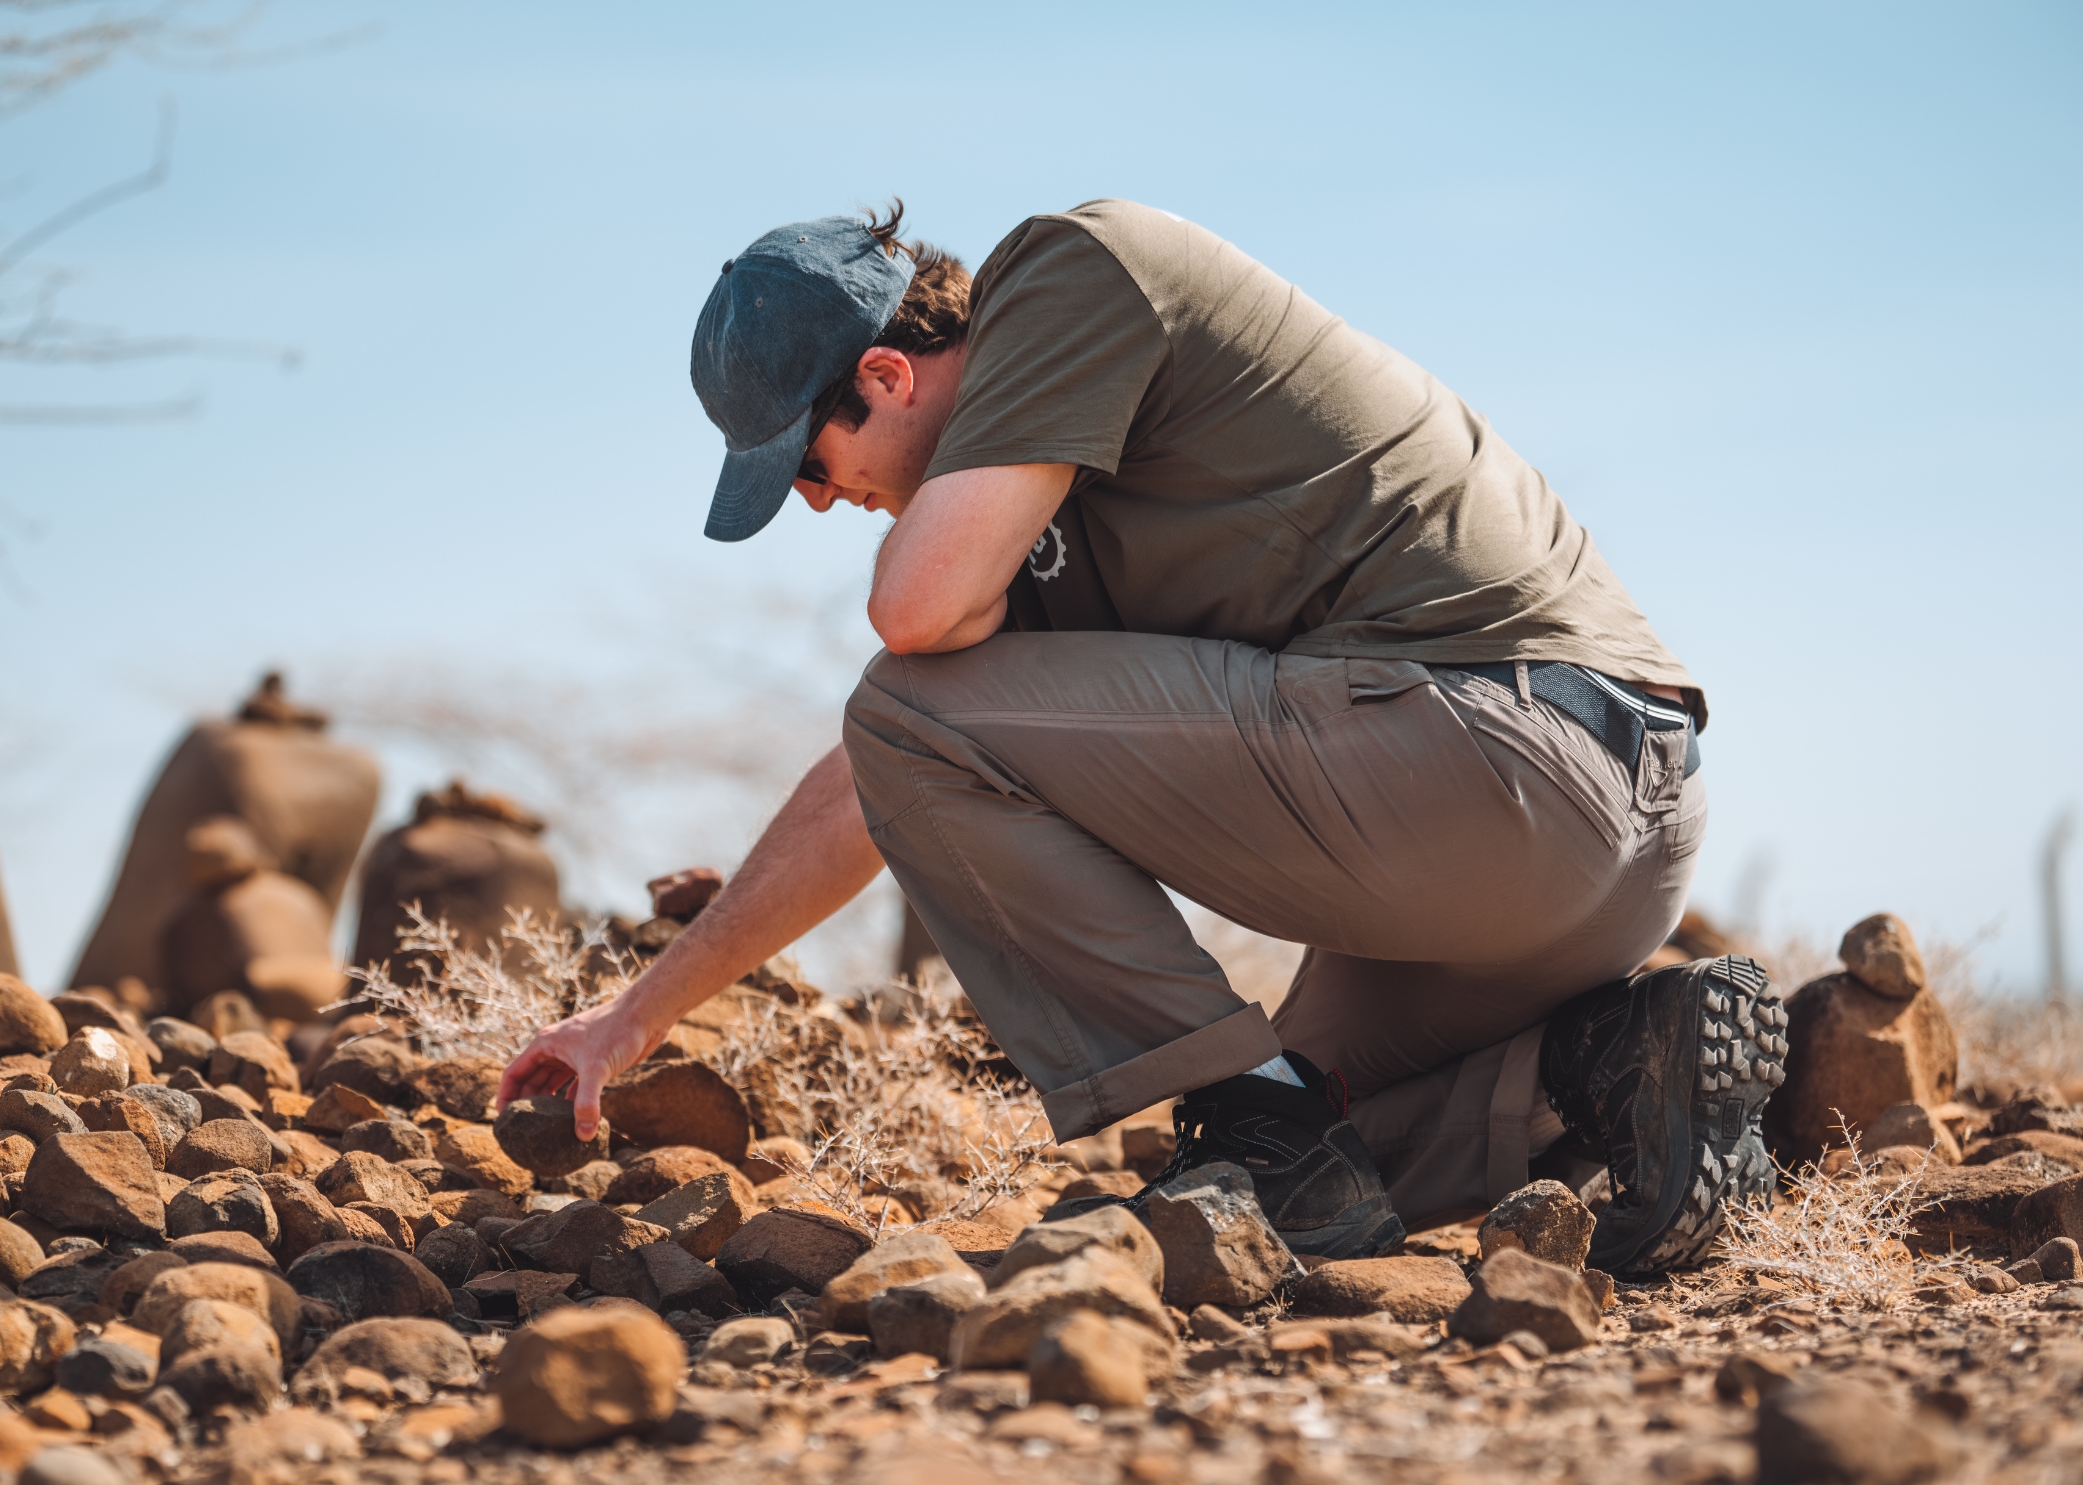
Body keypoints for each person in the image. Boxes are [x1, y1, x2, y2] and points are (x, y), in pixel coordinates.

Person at [499, 199, 1786, 1272]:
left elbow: (911, 643)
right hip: (1584, 846)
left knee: (913, 708)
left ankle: (1255, 1112)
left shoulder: (1069, 271)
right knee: (1291, 1160)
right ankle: (1614, 1062)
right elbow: (871, 793)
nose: (833, 508)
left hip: (1500, 756)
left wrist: (925, 585)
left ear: (885, 375)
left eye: (812, 470)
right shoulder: (1038, 517)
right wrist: (636, 1015)